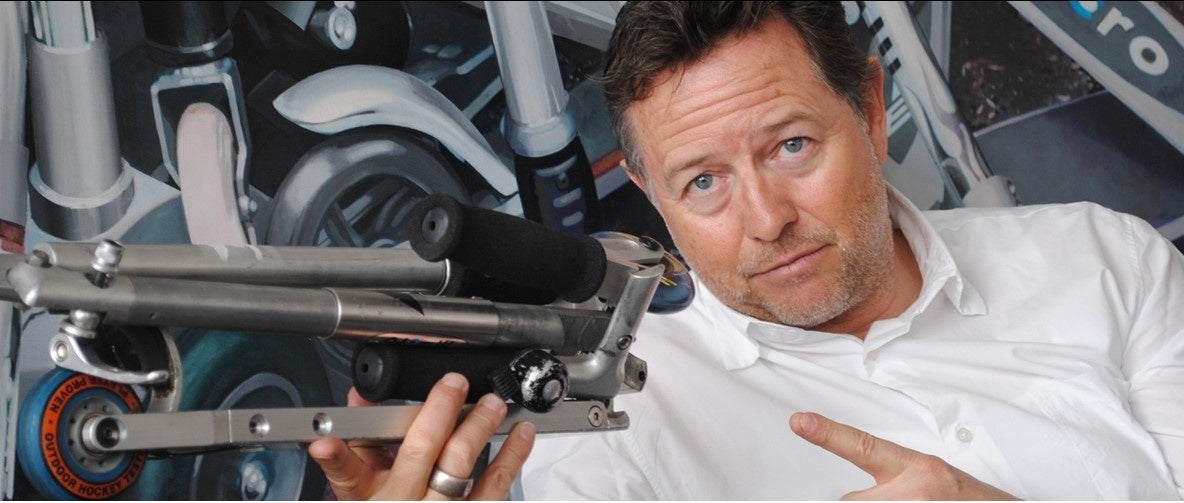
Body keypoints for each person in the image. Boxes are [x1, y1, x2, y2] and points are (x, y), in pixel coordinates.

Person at [309, 1, 1184, 499]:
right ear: (651, 194)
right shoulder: (609, 416)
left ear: (870, 112)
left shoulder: (1107, 260)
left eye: (791, 146)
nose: (766, 220)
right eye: (703, 182)